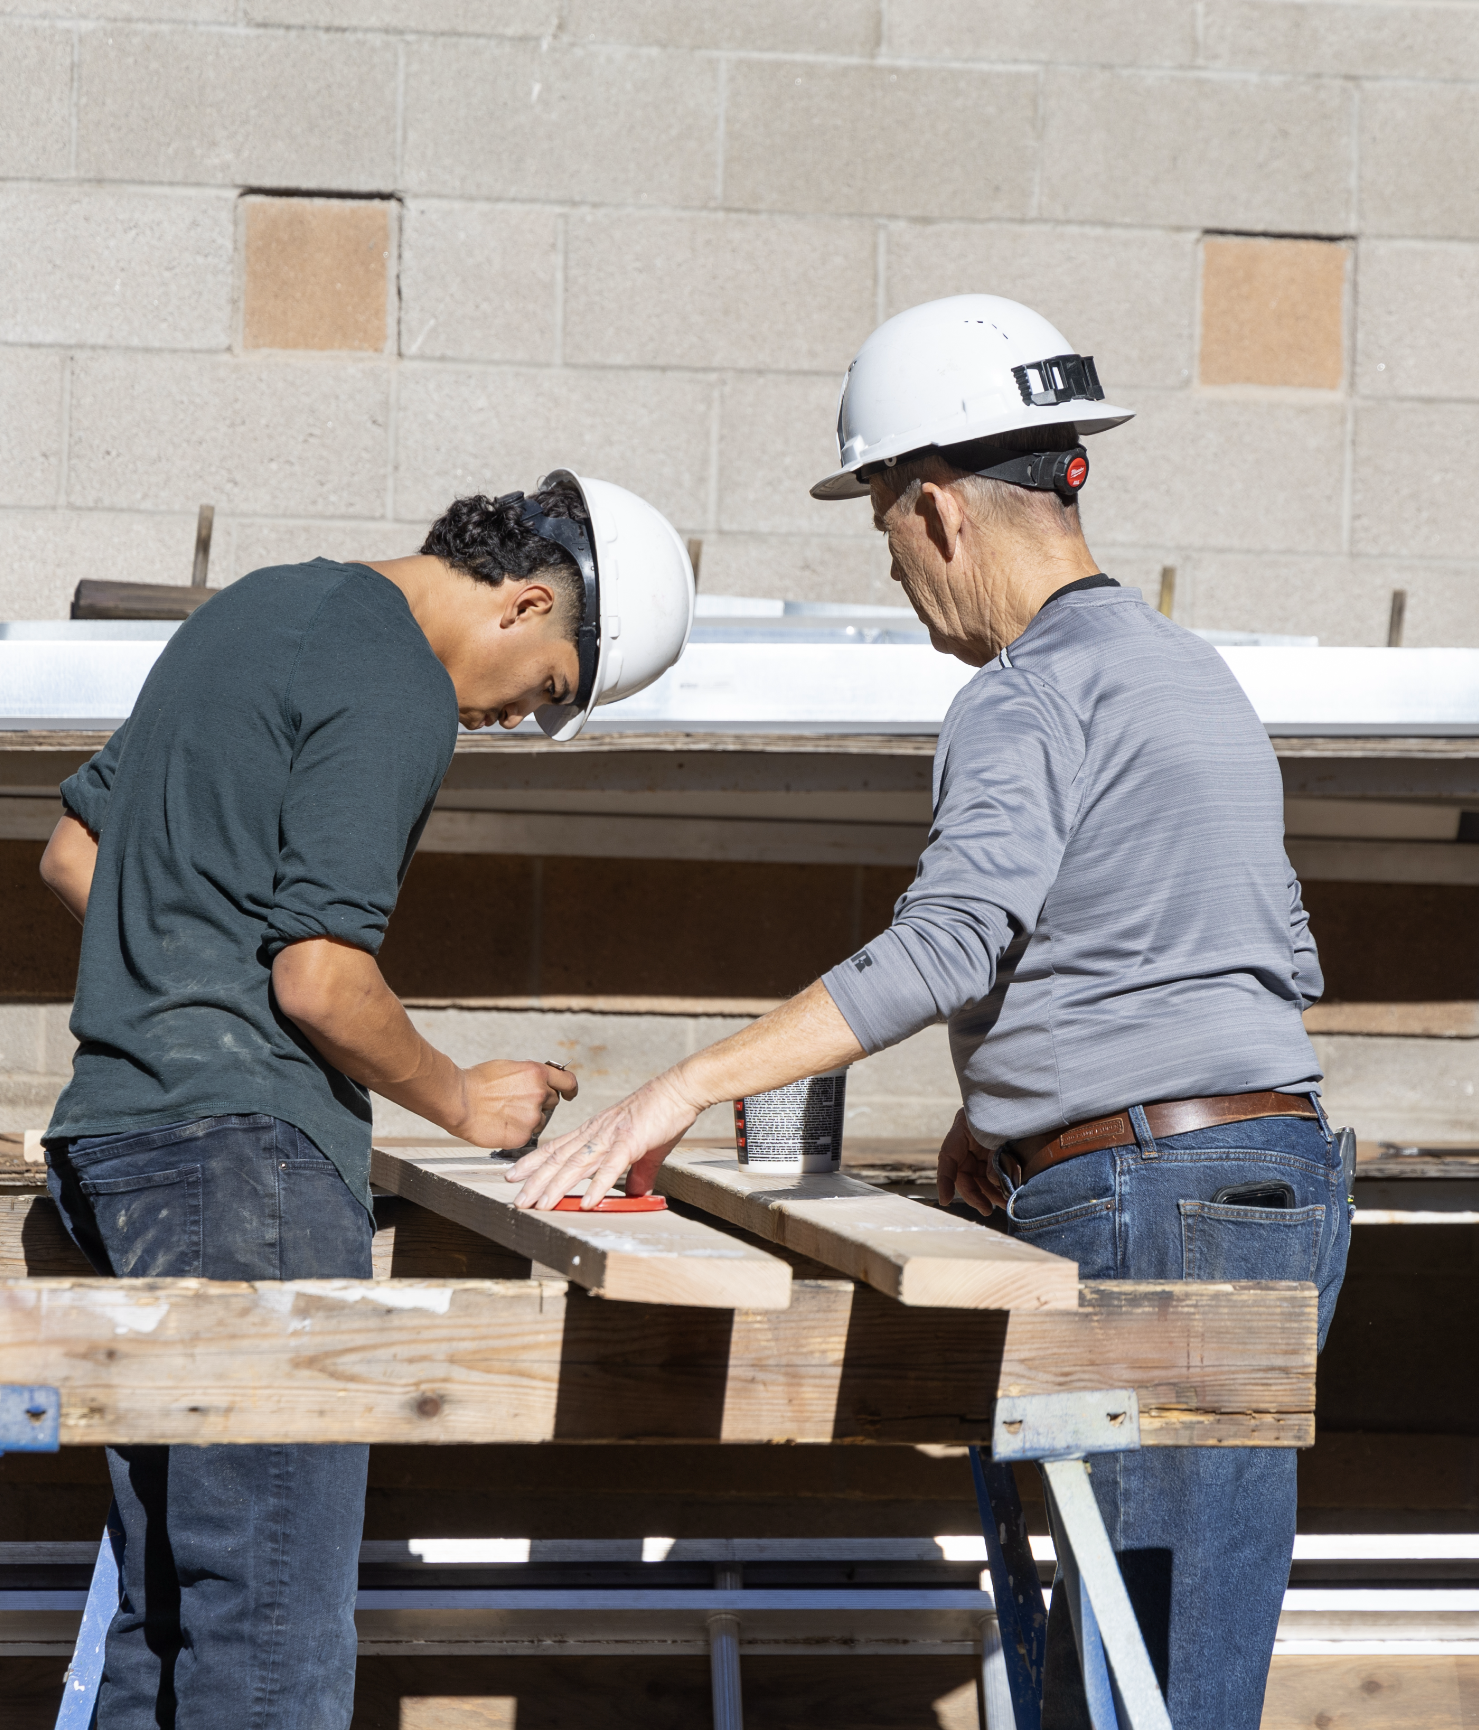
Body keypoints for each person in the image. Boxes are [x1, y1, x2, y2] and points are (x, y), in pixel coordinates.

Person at [507, 296, 1350, 1726]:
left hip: (1149, 1202)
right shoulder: (1186, 674)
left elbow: (952, 940)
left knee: (1131, 1688)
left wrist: (684, 1086)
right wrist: (1002, 1116)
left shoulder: (1019, 697)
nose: (897, 574)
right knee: (1176, 1668)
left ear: (941, 509)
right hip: (1270, 1185)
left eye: (886, 533)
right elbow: (1231, 945)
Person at [35, 470, 694, 1730]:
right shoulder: (397, 676)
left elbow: (76, 854)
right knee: (269, 1621)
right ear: (530, 600)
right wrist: (462, 1100)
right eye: (548, 689)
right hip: (243, 1165)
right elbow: (322, 978)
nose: (518, 720)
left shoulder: (255, 608)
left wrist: (186, 973)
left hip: (112, 1144)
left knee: (168, 1603)